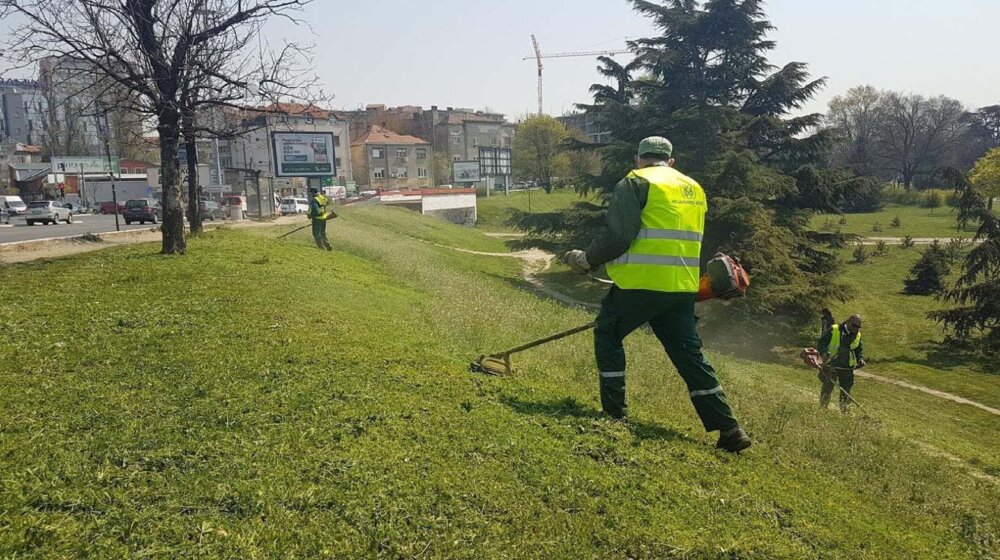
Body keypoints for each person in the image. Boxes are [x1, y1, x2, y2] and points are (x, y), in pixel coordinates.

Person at [563, 137, 751, 453]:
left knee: (608, 333)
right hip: (681, 288)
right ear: (671, 161)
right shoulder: (693, 189)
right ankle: (729, 429)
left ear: (638, 159)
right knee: (689, 355)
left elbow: (619, 236)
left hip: (640, 284)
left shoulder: (635, 182)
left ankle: (615, 414)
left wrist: (587, 259)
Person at [817, 313, 865, 412]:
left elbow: (858, 350)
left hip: (846, 367)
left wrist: (860, 359)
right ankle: (823, 408)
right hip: (832, 364)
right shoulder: (834, 329)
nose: (856, 329)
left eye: (858, 327)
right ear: (848, 322)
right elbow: (821, 343)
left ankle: (844, 410)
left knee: (846, 389)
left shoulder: (857, 335)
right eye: (854, 325)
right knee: (828, 387)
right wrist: (824, 353)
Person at [307, 186, 336, 251]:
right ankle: (328, 245)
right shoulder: (322, 197)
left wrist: (310, 215)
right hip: (323, 218)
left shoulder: (314, 200)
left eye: (311, 193)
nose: (310, 194)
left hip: (317, 219)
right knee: (322, 232)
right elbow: (324, 206)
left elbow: (316, 211)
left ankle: (321, 247)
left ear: (313, 192)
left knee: (316, 233)